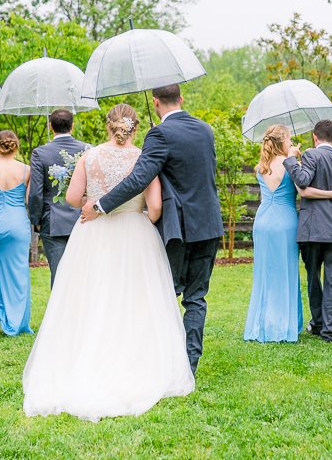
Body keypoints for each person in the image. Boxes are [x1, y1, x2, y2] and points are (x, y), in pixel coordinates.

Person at [22, 104, 194, 421]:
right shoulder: (145, 157)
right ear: (135, 128)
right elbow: (155, 208)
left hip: (94, 234)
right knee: (135, 300)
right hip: (135, 233)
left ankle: (88, 356)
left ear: (107, 126)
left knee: (93, 296)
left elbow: (73, 199)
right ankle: (135, 359)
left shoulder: (90, 156)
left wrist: (92, 197)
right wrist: (140, 212)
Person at [80, 84, 222, 375]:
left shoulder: (159, 134)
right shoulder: (206, 130)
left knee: (163, 294)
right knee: (196, 298)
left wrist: (100, 206)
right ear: (181, 99)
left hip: (176, 229)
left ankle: (159, 362)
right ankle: (189, 366)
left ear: (155, 102)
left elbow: (138, 179)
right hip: (208, 224)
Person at [243, 125, 332, 343]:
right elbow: (304, 190)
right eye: (288, 139)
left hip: (263, 220)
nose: (291, 143)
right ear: (282, 142)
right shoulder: (290, 165)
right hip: (284, 220)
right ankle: (282, 324)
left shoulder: (261, 165)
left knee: (264, 273)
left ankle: (261, 323)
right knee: (286, 271)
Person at [284, 119, 332, 343]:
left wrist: (291, 158)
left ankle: (319, 323)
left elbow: (302, 182)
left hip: (312, 228)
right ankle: (329, 330)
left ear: (315, 137)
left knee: (313, 277)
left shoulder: (311, 155)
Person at [0, 130, 32, 336]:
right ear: (16, 146)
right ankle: (14, 320)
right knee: (18, 273)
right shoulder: (26, 170)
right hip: (18, 223)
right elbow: (30, 201)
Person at [28, 109, 88, 285]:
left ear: (50, 126)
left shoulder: (40, 153)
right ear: (72, 126)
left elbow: (36, 192)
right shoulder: (87, 149)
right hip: (83, 218)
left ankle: (61, 312)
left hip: (53, 221)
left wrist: (35, 219)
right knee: (83, 272)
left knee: (59, 272)